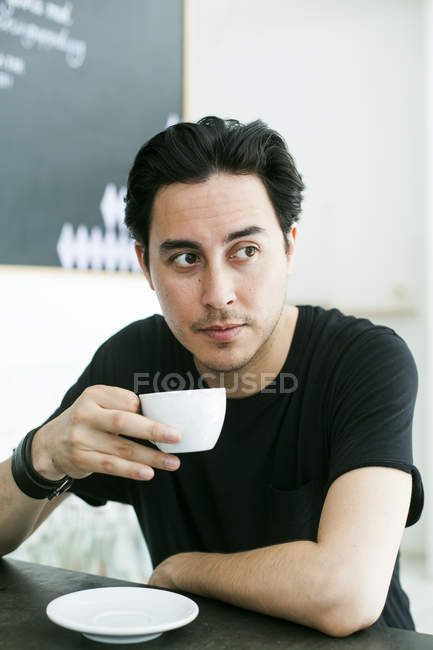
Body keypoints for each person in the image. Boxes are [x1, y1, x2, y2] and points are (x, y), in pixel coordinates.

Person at [0, 117, 423, 637]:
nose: (218, 293)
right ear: (145, 265)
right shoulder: (133, 361)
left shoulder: (362, 361)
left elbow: (346, 592)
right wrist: (41, 455)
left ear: (289, 247)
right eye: (184, 258)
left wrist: (183, 570)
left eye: (245, 251)